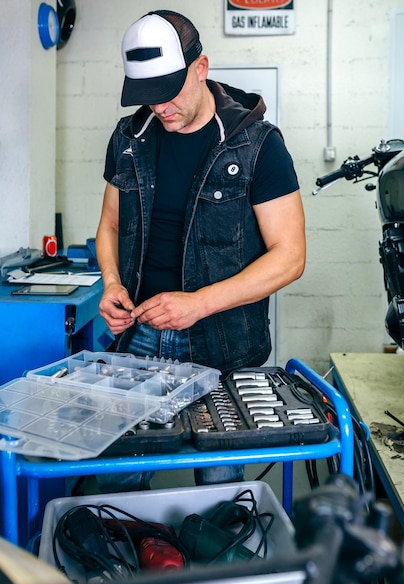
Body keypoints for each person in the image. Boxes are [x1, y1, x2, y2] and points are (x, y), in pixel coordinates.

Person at [95, 9, 306, 490]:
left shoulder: (257, 144)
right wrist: (111, 284)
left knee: (219, 487)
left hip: (224, 342)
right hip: (141, 335)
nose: (160, 108)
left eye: (169, 92)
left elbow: (290, 255)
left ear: (201, 68)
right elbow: (109, 226)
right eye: (148, 98)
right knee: (121, 479)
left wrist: (200, 303)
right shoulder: (129, 139)